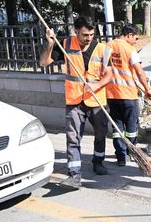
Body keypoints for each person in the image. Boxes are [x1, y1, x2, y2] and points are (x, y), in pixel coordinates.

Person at [39, 16, 113, 189]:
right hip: (74, 99)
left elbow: (109, 75)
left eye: (91, 34)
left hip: (96, 99)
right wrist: (50, 43)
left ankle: (98, 160)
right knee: (73, 137)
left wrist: (96, 85)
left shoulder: (102, 49)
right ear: (76, 31)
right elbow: (43, 62)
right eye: (85, 35)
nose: (88, 38)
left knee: (101, 133)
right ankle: (74, 174)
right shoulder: (65, 44)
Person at [107, 24, 151, 166]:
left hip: (111, 95)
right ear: (129, 35)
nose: (135, 41)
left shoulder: (107, 47)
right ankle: (132, 152)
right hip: (128, 94)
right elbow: (139, 71)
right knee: (131, 127)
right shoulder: (130, 49)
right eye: (135, 38)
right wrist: (147, 89)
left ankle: (121, 157)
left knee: (117, 128)